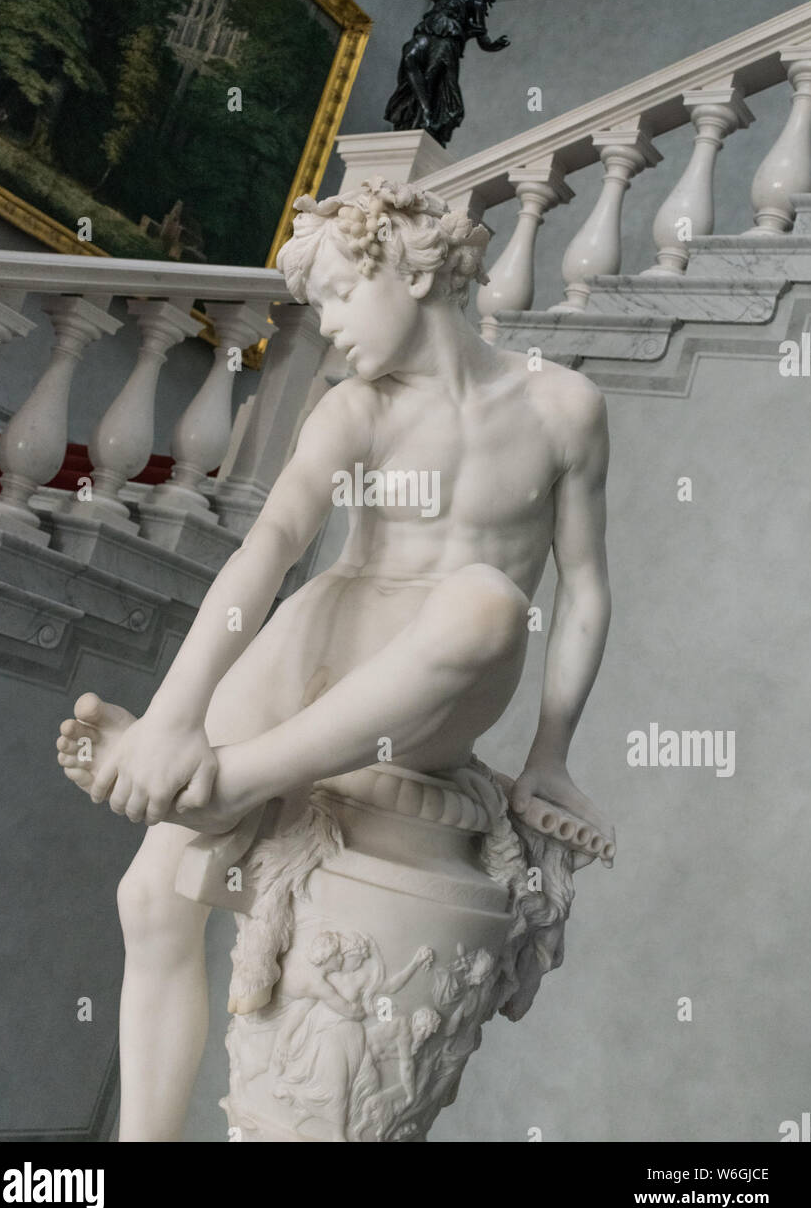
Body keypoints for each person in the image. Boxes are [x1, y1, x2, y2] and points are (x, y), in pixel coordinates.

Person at [57, 176, 613, 1140]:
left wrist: (551, 755)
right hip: (322, 638)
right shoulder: (353, 412)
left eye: (340, 298)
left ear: (411, 269)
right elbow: (266, 549)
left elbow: (585, 593)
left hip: (439, 671)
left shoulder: (564, 407)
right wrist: (180, 711)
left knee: (489, 603)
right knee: (148, 894)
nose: (328, 326)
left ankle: (231, 781)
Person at [384, 0, 509, 145]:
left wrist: (492, 45)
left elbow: (481, 34)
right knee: (410, 57)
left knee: (431, 79)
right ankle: (423, 109)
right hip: (428, 31)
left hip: (448, 41)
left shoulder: (476, 2)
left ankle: (425, 114)